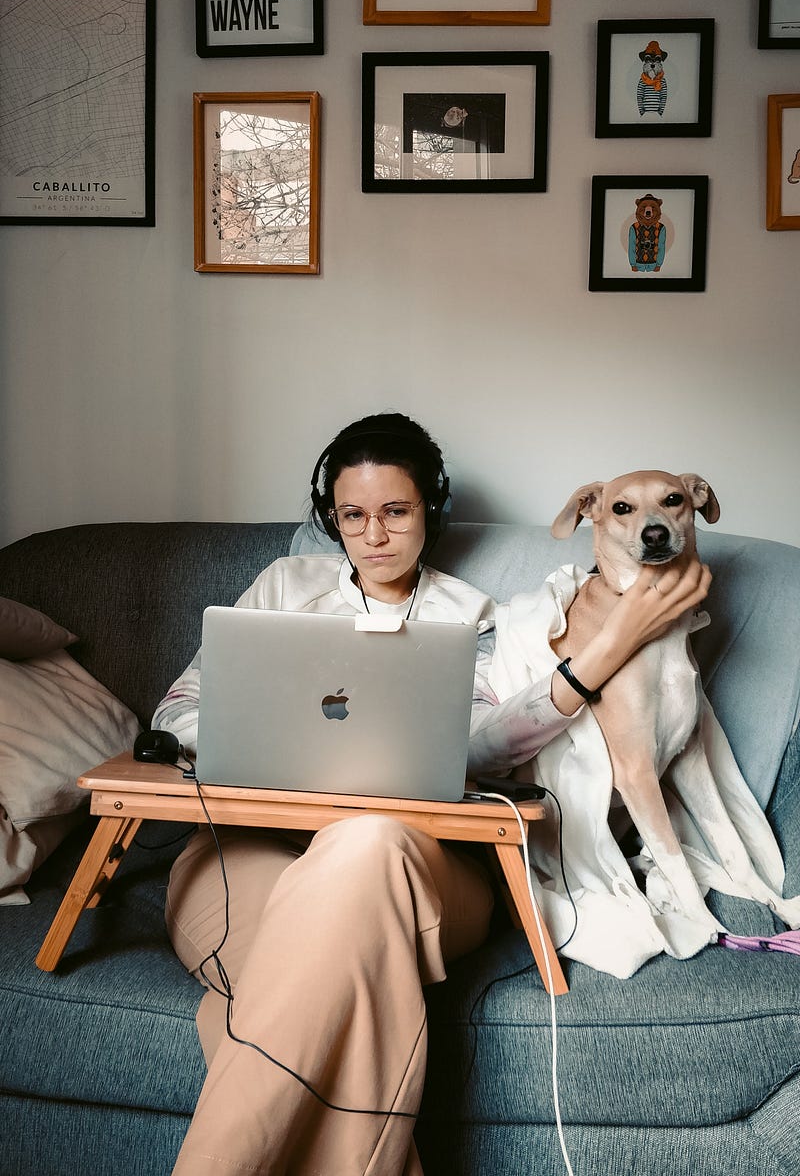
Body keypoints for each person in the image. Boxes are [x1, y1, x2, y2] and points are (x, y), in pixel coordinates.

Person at [153, 412, 709, 1175]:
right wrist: (239, 738)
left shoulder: (470, 616)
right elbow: (177, 707)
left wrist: (588, 663)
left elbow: (486, 747)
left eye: (396, 511)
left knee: (365, 840)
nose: (373, 534)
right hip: (248, 856)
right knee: (302, 1001)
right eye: (352, 515)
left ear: (432, 513)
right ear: (331, 521)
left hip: (415, 866)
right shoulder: (285, 585)